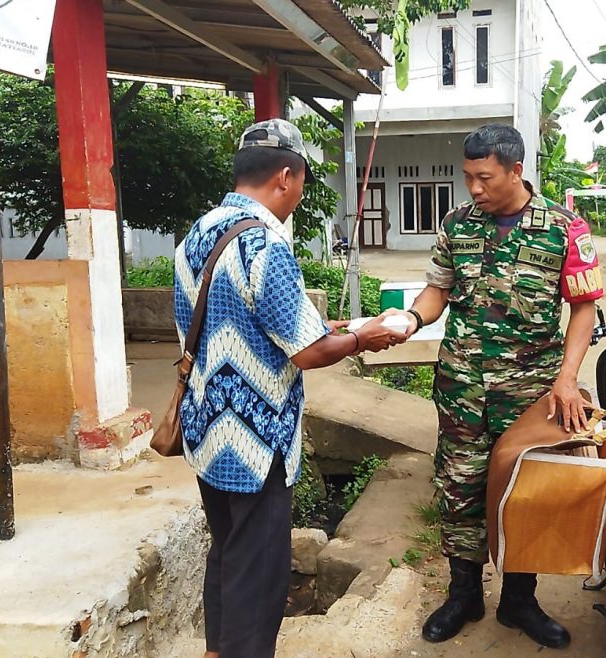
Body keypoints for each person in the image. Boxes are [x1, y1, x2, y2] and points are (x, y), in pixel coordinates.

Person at [174, 118, 404, 658]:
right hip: (257, 446)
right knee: (260, 577)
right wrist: (362, 337)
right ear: (285, 176)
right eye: (301, 182)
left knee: (228, 554)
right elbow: (307, 351)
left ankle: (216, 650)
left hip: (207, 433)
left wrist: (340, 331)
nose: (299, 194)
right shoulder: (265, 246)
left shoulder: (197, 235)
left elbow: (255, 326)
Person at [386, 123, 605, 649]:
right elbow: (439, 288)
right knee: (459, 488)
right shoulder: (457, 224)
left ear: (515, 171)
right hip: (462, 384)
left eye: (484, 178)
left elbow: (583, 308)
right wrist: (412, 320)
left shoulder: (565, 229)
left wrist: (567, 379)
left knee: (524, 492)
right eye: (468, 178)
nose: (475, 189)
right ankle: (464, 593)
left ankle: (519, 599)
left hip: (531, 392)